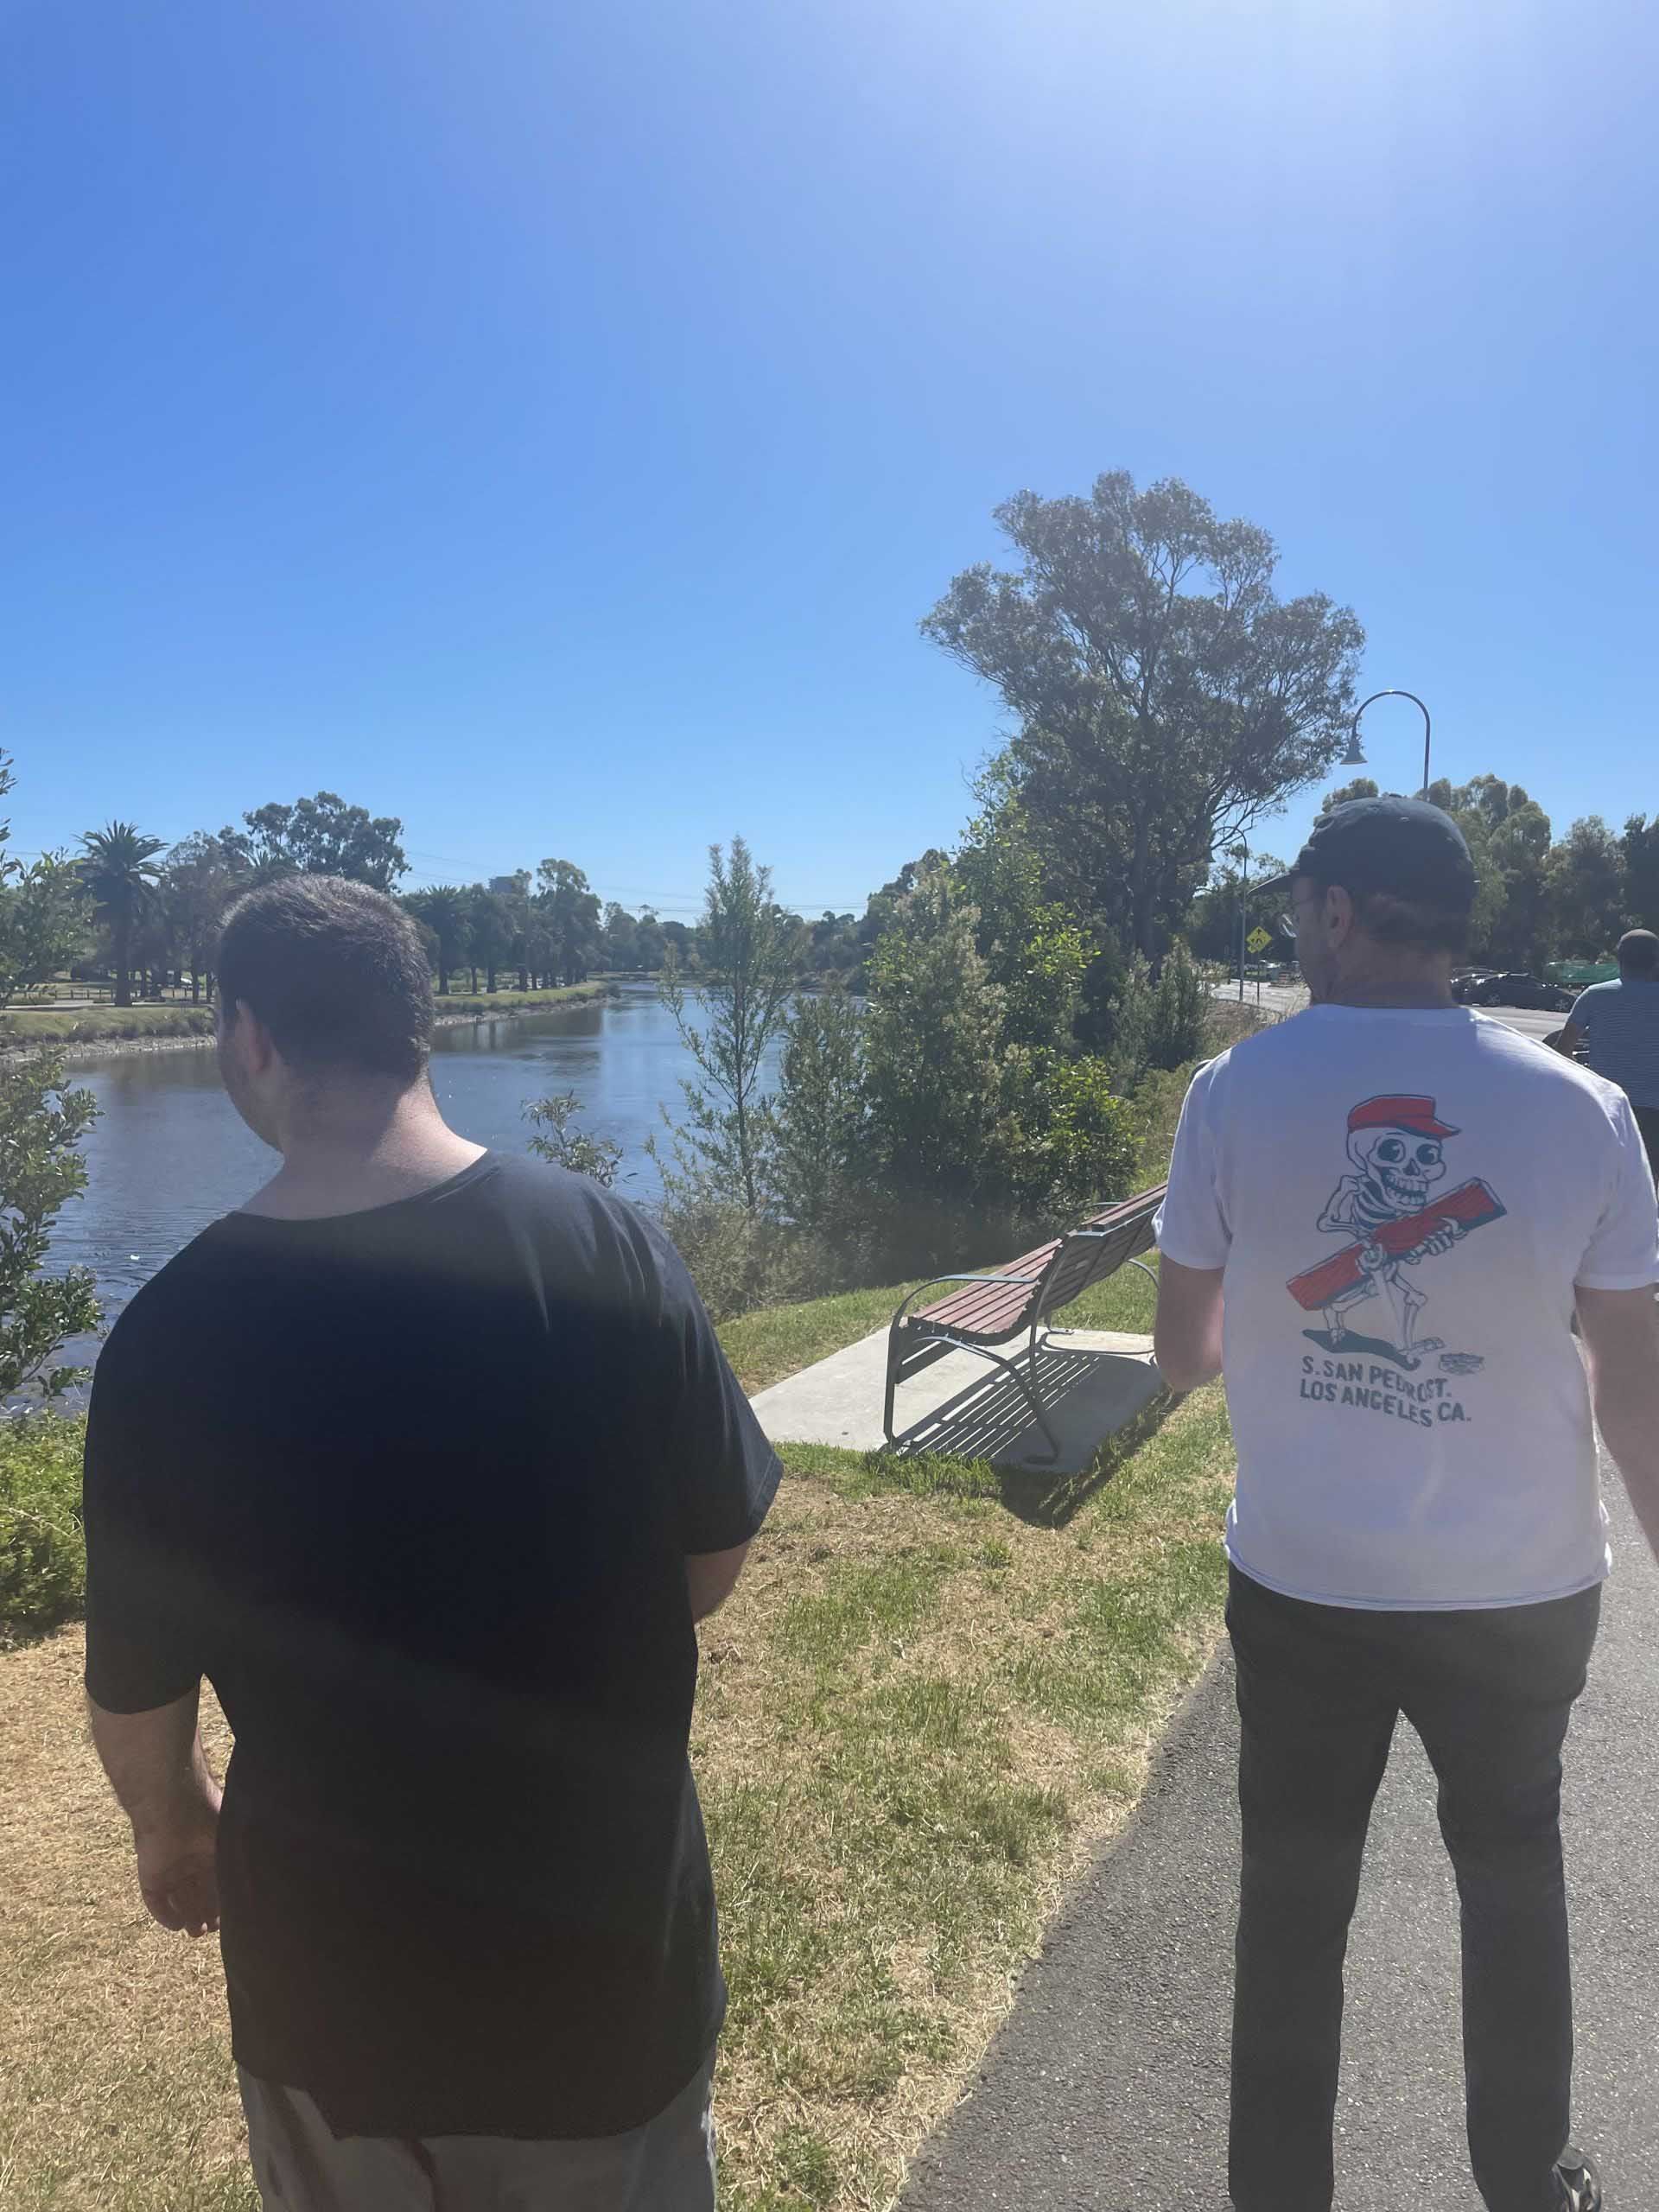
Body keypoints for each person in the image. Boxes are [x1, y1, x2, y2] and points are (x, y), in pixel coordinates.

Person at [81, 876, 780, 2212]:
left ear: (251, 1042)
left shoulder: (169, 1341)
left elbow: (139, 1698)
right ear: (426, 1030)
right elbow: (708, 1559)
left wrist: (173, 1834)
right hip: (603, 1980)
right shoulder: (609, 1247)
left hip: (335, 2005)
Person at [1152, 798, 1659, 2212]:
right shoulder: (1586, 1112)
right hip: (1522, 1590)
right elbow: (1635, 1395)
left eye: (1301, 911)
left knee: (1294, 1912)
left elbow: (1183, 1358)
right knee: (1512, 1887)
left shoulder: (1233, 1095)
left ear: (1335, 912)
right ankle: (1524, 2182)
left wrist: (1275, 1320)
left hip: (1308, 1585)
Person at [1553, 928, 1659, 1172]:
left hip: (1605, 1106)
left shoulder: (1595, 995)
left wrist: (1588, 1079)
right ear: (1656, 961)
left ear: (1619, 959)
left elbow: (1562, 1051)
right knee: (1645, 1182)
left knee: (1599, 1178)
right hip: (1654, 1110)